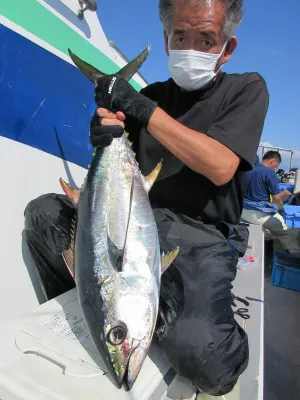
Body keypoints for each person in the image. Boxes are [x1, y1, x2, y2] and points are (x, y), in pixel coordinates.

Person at [24, 0, 270, 396]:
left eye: (206, 39)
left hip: (202, 235)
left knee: (209, 363)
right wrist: (107, 132)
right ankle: (96, 308)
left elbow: (221, 166)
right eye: (180, 36)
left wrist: (140, 107)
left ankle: (213, 324)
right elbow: (124, 176)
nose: (190, 47)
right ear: (166, 39)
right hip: (139, 218)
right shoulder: (154, 93)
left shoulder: (246, 89)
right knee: (42, 214)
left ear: (227, 48)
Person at [242, 151, 300, 255]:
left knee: (269, 231)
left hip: (243, 210)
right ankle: (295, 252)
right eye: (276, 166)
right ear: (273, 161)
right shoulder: (269, 173)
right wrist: (284, 194)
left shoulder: (248, 170)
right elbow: (276, 198)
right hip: (259, 213)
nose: (275, 168)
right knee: (285, 231)